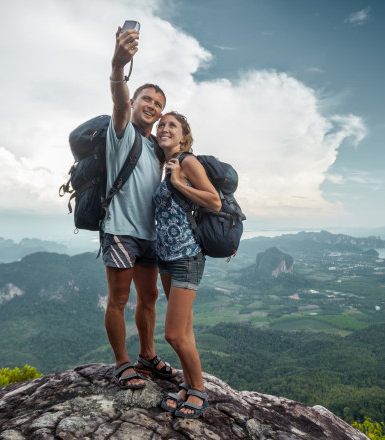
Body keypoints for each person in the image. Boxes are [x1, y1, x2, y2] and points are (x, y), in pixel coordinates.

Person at [105, 24, 176, 389]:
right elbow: (118, 100)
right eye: (147, 99)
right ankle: (121, 363)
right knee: (118, 298)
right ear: (135, 102)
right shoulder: (122, 132)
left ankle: (147, 356)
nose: (152, 106)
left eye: (159, 105)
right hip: (120, 229)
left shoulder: (154, 148)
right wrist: (119, 66)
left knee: (148, 298)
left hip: (150, 234)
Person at [153, 111, 221, 418]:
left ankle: (200, 392)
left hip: (187, 257)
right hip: (165, 258)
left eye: (172, 126)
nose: (164, 128)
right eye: (161, 125)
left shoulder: (188, 162)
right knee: (186, 329)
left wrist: (179, 182)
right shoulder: (162, 166)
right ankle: (189, 384)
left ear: (184, 136)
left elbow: (214, 201)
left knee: (174, 334)